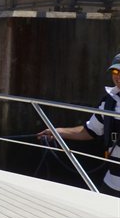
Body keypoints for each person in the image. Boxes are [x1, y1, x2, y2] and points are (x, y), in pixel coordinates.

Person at [37, 53, 120, 197]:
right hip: (111, 184)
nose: (118, 76)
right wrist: (57, 132)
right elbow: (89, 131)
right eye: (115, 72)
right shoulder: (108, 102)